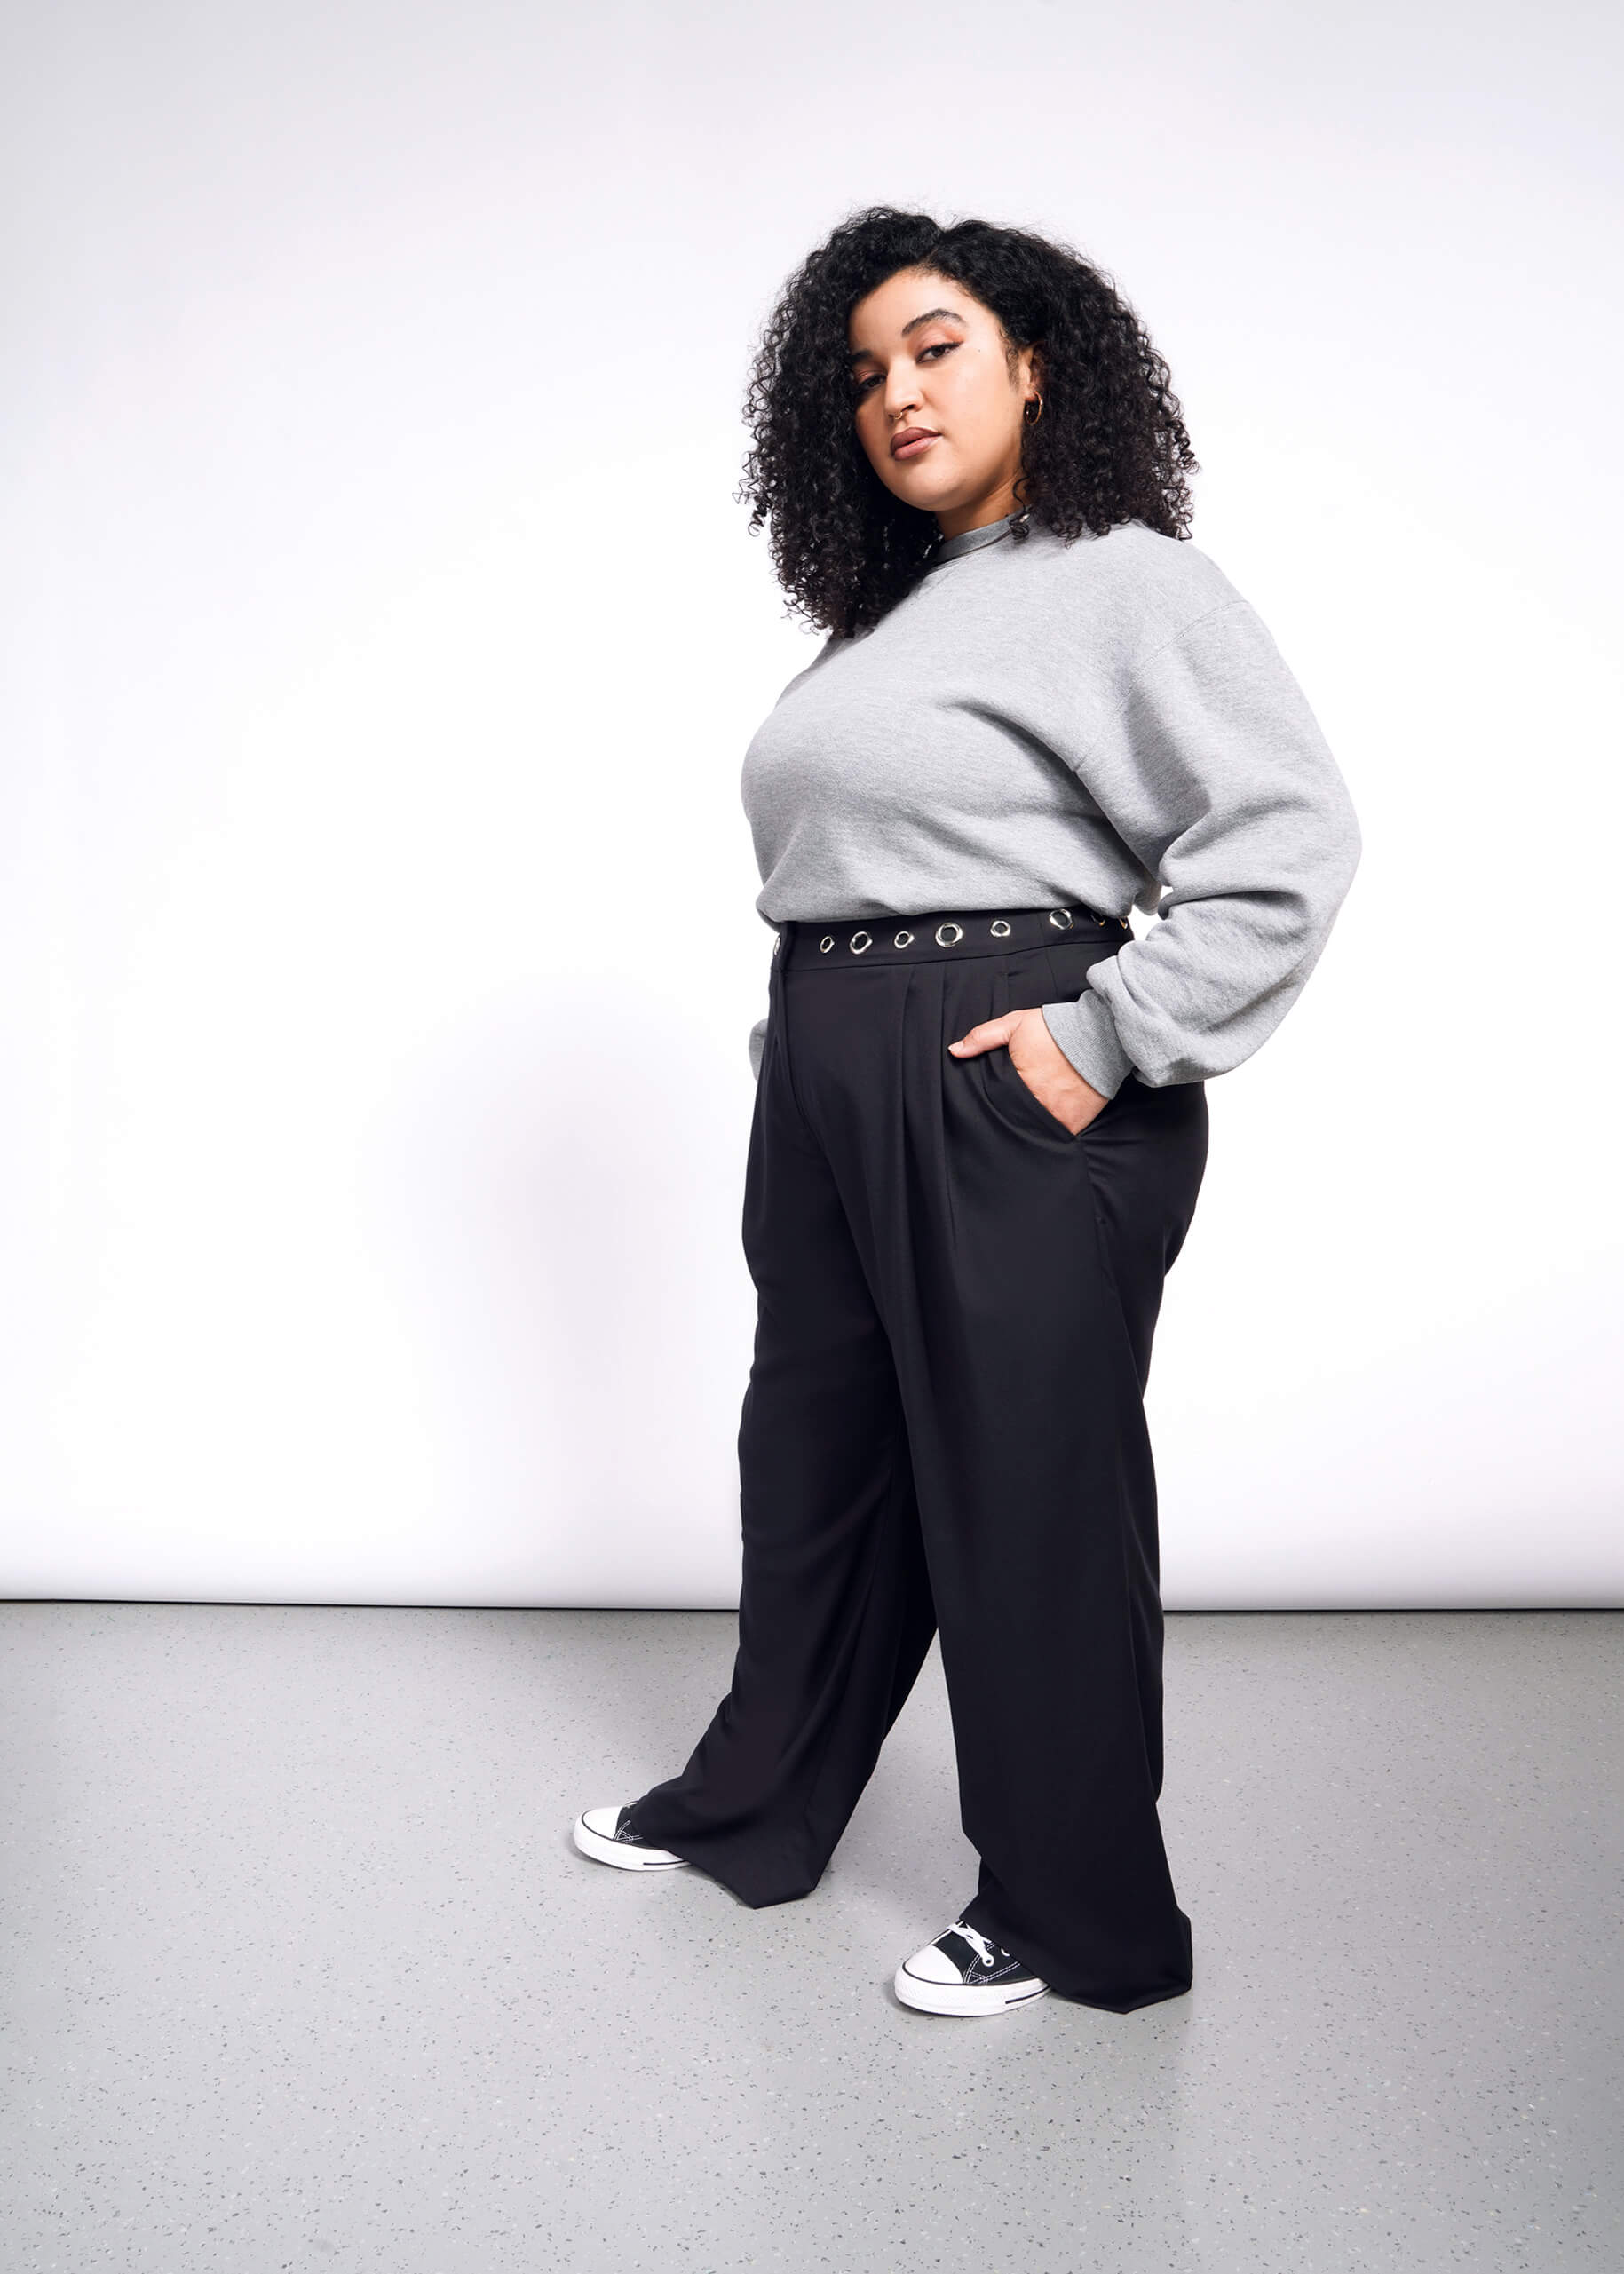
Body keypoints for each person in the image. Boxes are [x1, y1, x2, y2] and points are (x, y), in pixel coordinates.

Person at [573, 206, 1361, 2019]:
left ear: (1032, 364)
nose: (898, 393)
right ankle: (758, 1802)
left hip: (1005, 1069)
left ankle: (1075, 1911)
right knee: (822, 1470)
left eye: (935, 347)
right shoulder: (898, 619)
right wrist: (813, 1058)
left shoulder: (1123, 575)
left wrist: (1113, 1034)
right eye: (862, 374)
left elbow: (1288, 835)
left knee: (1026, 1495)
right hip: (841, 1071)